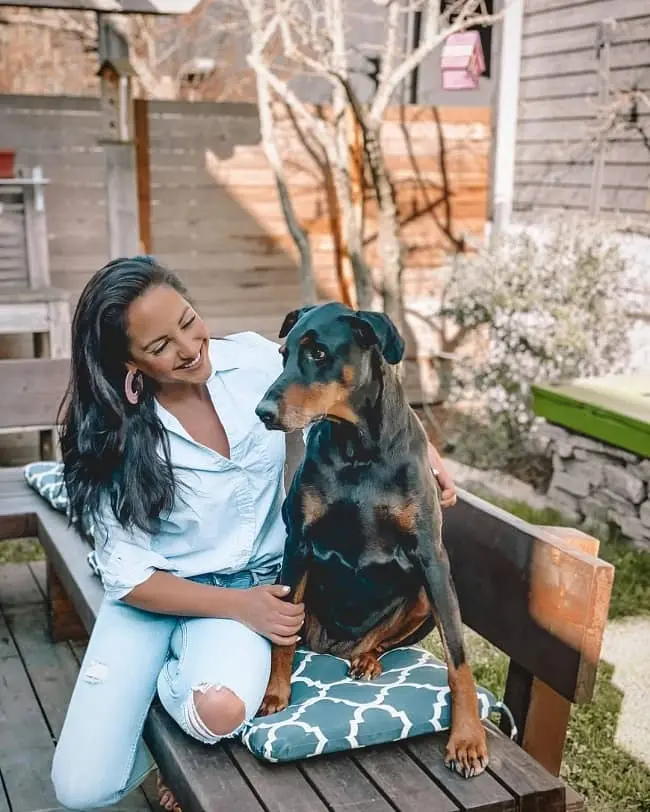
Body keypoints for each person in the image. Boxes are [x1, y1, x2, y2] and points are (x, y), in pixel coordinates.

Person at [51, 255, 457, 811]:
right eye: (159, 347)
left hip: (251, 591)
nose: (190, 348)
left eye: (188, 322)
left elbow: (362, 388)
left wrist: (425, 453)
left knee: (217, 710)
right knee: (82, 790)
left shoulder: (254, 361)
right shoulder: (107, 433)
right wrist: (240, 608)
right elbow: (124, 575)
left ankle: (167, 695)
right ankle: (146, 688)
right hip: (155, 596)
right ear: (127, 362)